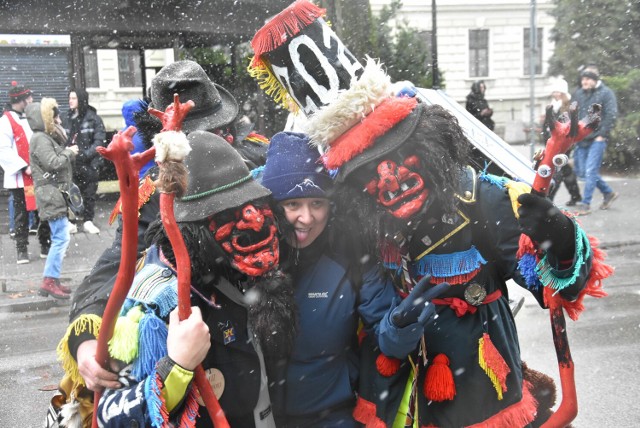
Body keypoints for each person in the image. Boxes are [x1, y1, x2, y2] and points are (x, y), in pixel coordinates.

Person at [248, 3, 610, 425]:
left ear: (423, 143)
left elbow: (556, 289)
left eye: (397, 155)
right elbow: (282, 206)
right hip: (392, 401)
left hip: (478, 401)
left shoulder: (480, 201)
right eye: (366, 170)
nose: (389, 178)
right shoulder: (358, 221)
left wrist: (561, 242)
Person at [56, 60, 269, 405]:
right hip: (192, 356)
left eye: (208, 134)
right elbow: (115, 268)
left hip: (271, 351)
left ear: (225, 133)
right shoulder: (157, 194)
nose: (196, 150)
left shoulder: (261, 173)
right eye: (185, 141)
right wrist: (86, 340)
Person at [92, 130, 289, 427]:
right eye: (226, 212)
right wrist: (176, 366)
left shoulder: (251, 269)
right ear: (193, 227)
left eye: (252, 203)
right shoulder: (157, 303)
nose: (252, 219)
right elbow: (112, 415)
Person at [259, 132, 443, 427]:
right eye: (292, 204)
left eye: (317, 203)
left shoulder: (351, 256)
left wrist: (400, 326)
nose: (306, 218)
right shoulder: (246, 258)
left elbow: (385, 338)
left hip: (335, 417)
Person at [26, 98, 79, 299]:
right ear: (46, 118)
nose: (58, 119)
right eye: (55, 116)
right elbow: (53, 163)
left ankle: (53, 279)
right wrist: (69, 152)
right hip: (50, 194)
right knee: (60, 237)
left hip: (53, 193)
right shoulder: (40, 138)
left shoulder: (44, 137)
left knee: (60, 237)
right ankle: (49, 280)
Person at [0, 80, 50, 263]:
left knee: (43, 210)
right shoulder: (5, 122)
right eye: (28, 97)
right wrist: (24, 166)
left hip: (37, 175)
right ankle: (22, 249)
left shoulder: (31, 117)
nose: (31, 100)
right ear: (20, 100)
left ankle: (45, 244)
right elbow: (3, 149)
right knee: (21, 214)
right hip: (19, 177)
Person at [571, 65, 619, 215]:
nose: (584, 81)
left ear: (594, 80)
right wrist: (572, 134)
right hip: (581, 138)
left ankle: (586, 204)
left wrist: (602, 134)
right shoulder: (579, 93)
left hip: (597, 139)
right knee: (581, 171)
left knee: (590, 170)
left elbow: (611, 115)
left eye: (587, 79)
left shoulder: (606, 93)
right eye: (583, 79)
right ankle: (608, 193)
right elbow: (574, 113)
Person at [63, 87, 106, 234]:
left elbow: (99, 142)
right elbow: (63, 139)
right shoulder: (66, 118)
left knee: (89, 193)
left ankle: (88, 220)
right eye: (69, 98)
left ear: (81, 100)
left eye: (73, 98)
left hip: (90, 163)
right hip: (71, 163)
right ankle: (72, 221)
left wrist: (85, 155)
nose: (70, 101)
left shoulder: (93, 118)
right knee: (72, 192)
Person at [544, 77, 582, 206]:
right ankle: (575, 195)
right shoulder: (554, 105)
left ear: (563, 93)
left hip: (563, 143)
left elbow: (568, 126)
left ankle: (550, 197)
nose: (555, 94)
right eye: (554, 91)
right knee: (565, 170)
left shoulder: (566, 107)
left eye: (558, 92)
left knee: (557, 170)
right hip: (555, 142)